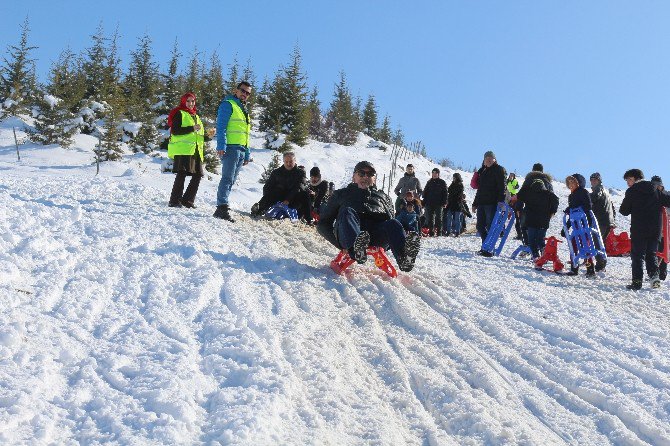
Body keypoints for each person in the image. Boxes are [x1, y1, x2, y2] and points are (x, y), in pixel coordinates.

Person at [317, 161, 421, 272]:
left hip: (375, 235)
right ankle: (357, 249)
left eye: (370, 174)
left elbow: (392, 227)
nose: (365, 177)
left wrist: (392, 243)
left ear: (374, 178)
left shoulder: (384, 197)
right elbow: (323, 224)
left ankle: (405, 258)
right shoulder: (341, 194)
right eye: (361, 173)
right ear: (354, 177)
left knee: (393, 223)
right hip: (349, 233)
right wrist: (339, 245)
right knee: (348, 212)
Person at [620, 169, 670, 290]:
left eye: (629, 179)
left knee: (637, 255)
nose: (628, 183)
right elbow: (668, 201)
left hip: (639, 229)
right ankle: (655, 280)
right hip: (655, 229)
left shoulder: (632, 191)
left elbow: (624, 211)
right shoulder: (655, 189)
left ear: (636, 178)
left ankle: (637, 282)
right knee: (651, 254)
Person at [214, 81, 252, 222]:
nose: (245, 94)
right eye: (243, 91)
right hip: (231, 147)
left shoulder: (243, 110)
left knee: (232, 180)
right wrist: (221, 145)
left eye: (248, 93)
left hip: (241, 149)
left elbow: (245, 133)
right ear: (236, 90)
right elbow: (221, 126)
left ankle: (222, 205)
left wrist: (247, 153)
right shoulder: (228, 104)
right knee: (227, 178)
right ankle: (221, 207)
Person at [166, 92, 205, 208]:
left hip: (195, 150)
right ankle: (174, 201)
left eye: (192, 101)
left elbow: (198, 135)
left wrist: (208, 135)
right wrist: (192, 128)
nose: (190, 103)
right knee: (181, 174)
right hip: (183, 149)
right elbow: (175, 131)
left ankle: (187, 201)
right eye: (188, 101)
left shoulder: (196, 116)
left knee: (198, 174)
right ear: (183, 101)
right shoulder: (180, 113)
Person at [250, 152, 312, 222]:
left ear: (295, 161)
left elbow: (299, 187)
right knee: (276, 190)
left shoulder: (300, 172)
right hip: (279, 198)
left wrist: (288, 200)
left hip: (293, 199)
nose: (288, 164)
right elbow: (267, 186)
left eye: (291, 161)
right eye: (286, 162)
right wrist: (267, 197)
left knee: (305, 194)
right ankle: (259, 209)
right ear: (283, 161)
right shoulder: (276, 172)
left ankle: (308, 219)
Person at [564, 173, 601, 276]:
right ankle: (574, 268)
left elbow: (588, 206)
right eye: (569, 183)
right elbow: (571, 213)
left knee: (585, 246)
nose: (571, 184)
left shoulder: (583, 192)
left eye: (573, 182)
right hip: (576, 225)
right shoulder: (571, 196)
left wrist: (577, 209)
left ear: (579, 183)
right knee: (573, 245)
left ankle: (590, 269)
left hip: (585, 224)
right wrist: (566, 226)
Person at [516, 178, 559, 261]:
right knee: (541, 239)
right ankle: (544, 253)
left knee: (531, 239)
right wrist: (552, 211)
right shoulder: (548, 193)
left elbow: (519, 197)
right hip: (543, 220)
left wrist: (519, 209)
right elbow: (556, 200)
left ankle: (535, 256)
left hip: (531, 220)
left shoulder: (529, 193)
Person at [473, 150, 506, 251]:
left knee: (491, 226)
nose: (488, 160)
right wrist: (475, 203)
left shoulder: (499, 170)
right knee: (479, 226)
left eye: (490, 158)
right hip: (482, 202)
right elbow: (480, 189)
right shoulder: (483, 171)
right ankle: (486, 245)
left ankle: (489, 248)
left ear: (494, 159)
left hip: (492, 203)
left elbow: (502, 187)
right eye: (486, 159)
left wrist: (501, 201)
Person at [422, 168, 448, 236]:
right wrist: (424, 202)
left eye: (435, 173)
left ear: (438, 174)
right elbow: (425, 193)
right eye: (433, 173)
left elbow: (445, 193)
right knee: (430, 218)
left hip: (439, 203)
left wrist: (445, 202)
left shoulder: (442, 182)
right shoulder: (429, 182)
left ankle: (439, 232)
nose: (434, 174)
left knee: (439, 218)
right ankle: (431, 232)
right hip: (429, 203)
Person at [589, 172, 616, 239]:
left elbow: (595, 196)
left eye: (595, 179)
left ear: (599, 181)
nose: (593, 181)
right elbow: (613, 209)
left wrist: (586, 197)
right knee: (602, 243)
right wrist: (612, 221)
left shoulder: (599, 189)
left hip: (601, 221)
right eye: (591, 180)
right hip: (608, 222)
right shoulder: (607, 193)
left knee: (596, 243)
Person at [651, 176, 668, 281]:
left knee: (663, 250)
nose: (657, 187)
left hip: (665, 230)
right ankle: (656, 272)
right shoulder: (651, 197)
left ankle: (661, 273)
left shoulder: (666, 196)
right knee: (655, 251)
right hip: (655, 229)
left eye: (658, 185)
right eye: (654, 185)